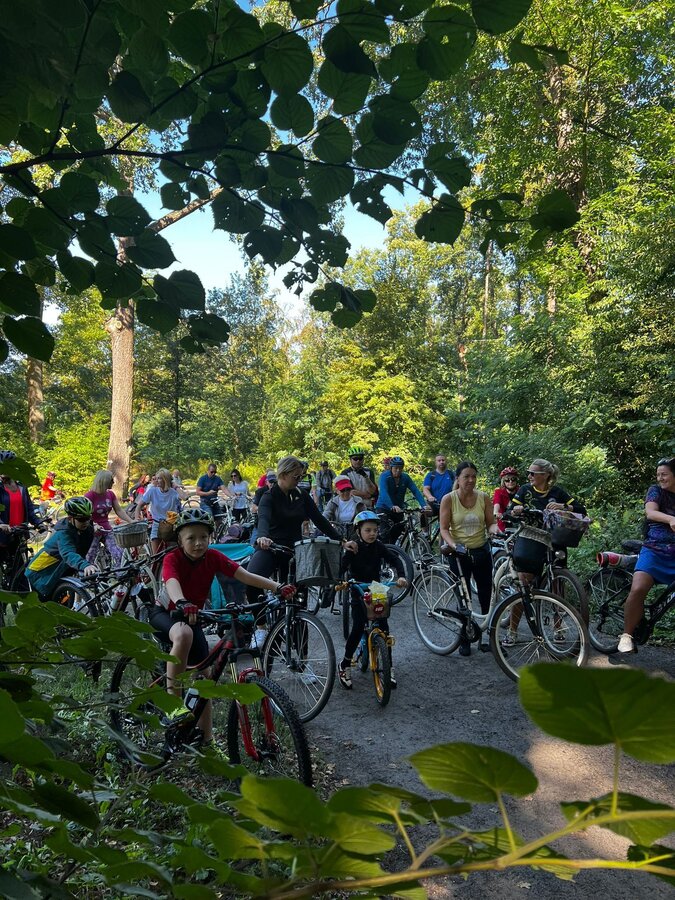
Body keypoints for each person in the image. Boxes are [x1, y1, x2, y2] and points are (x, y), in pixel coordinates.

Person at [149, 508, 294, 742]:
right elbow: (172, 581)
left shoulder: (213, 557)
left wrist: (277, 587)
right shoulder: (172, 558)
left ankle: (207, 740)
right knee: (183, 634)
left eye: (204, 537)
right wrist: (182, 602)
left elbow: (245, 575)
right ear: (180, 540)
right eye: (191, 538)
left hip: (193, 616)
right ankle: (173, 705)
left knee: (206, 680)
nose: (198, 543)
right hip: (166, 613)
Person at [247, 455, 357, 600]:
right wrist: (262, 537)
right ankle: (259, 616)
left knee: (298, 594)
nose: (299, 480)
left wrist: (342, 541)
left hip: (295, 548)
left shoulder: (301, 495)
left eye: (301, 476)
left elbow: (319, 519)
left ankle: (298, 614)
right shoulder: (268, 497)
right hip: (270, 546)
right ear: (283, 475)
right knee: (252, 580)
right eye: (296, 477)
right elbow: (264, 518)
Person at [338, 511, 408, 690]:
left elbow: (394, 559)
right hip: (358, 587)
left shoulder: (379, 546)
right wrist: (339, 581)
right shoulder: (353, 547)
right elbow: (342, 566)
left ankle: (388, 666)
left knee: (384, 627)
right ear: (358, 531)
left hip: (376, 587)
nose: (372, 534)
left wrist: (401, 576)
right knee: (358, 626)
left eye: (375, 530)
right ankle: (345, 664)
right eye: (368, 530)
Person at [439, 460, 499, 654]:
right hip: (459, 553)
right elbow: (444, 528)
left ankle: (488, 638)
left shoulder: (483, 498)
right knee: (463, 598)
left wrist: (495, 530)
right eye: (466, 476)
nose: (471, 480)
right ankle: (465, 637)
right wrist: (453, 545)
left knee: (486, 595)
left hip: (481, 551)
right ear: (458, 478)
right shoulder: (449, 499)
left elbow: (490, 523)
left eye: (473, 476)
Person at [618, 457, 675, 654]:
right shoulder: (655, 491)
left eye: (664, 474)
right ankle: (627, 635)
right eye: (658, 474)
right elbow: (651, 512)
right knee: (638, 588)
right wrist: (671, 519)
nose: (660, 478)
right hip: (655, 549)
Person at [26, 497, 98, 601]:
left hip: (61, 568)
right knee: (43, 603)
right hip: (43, 571)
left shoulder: (87, 529)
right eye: (82, 519)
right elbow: (68, 553)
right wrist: (84, 565)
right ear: (70, 518)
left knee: (61, 601)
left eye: (89, 518)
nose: (86, 522)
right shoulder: (63, 533)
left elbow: (82, 550)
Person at [0, 450, 42, 569]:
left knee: (21, 568)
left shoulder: (21, 486)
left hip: (19, 533)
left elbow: (29, 508)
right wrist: (1, 524)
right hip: (3, 534)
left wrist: (39, 523)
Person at [85, 469, 134, 566]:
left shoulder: (110, 494)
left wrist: (130, 521)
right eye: (111, 480)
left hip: (106, 529)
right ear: (104, 481)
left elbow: (119, 510)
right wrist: (93, 525)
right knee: (90, 556)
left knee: (119, 553)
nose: (113, 482)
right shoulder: (90, 496)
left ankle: (119, 572)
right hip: (93, 530)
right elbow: (85, 515)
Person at [376, 456, 429, 543]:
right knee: (384, 534)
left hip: (399, 508)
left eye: (400, 468)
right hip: (384, 507)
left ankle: (395, 550)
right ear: (391, 468)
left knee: (398, 532)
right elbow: (383, 493)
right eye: (396, 468)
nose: (398, 470)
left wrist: (423, 505)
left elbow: (415, 491)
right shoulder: (385, 476)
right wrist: (391, 506)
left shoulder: (405, 477)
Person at [509, 459, 586, 517]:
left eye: (532, 473)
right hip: (527, 532)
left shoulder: (557, 492)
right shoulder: (524, 489)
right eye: (528, 473)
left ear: (545, 475)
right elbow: (507, 514)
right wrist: (515, 511)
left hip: (551, 533)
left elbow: (582, 511)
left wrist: (563, 507)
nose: (529, 476)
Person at [136, 468, 182, 553]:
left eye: (159, 478)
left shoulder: (173, 492)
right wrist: (137, 518)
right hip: (157, 525)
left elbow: (184, 497)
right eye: (156, 478)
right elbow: (139, 505)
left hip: (171, 526)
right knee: (156, 555)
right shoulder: (153, 491)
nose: (156, 480)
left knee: (174, 553)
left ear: (165, 480)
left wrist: (175, 486)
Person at [492, 466, 520, 532]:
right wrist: (496, 512)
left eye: (513, 479)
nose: (510, 482)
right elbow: (497, 503)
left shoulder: (521, 491)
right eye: (507, 480)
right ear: (503, 482)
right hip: (504, 525)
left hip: (519, 524)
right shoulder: (499, 492)